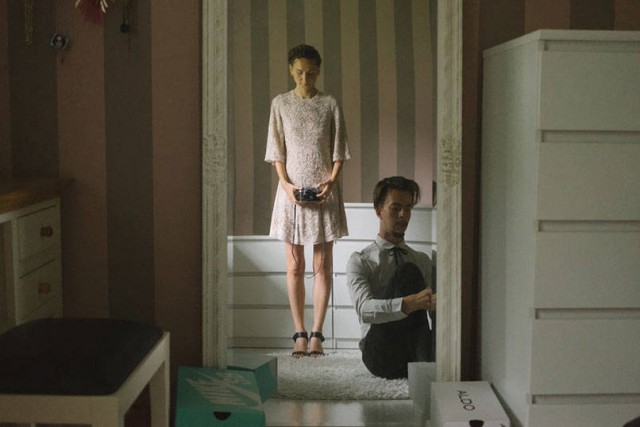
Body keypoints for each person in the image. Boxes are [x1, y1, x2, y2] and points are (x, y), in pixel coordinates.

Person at [265, 44, 350, 357]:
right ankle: (299, 333)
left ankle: (317, 335)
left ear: (318, 71)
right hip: (291, 193)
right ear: (291, 70)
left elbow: (339, 149)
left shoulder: (329, 103)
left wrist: (332, 181)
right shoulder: (280, 104)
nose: (305, 78)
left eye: (311, 73)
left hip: (325, 192)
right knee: (294, 266)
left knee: (322, 266)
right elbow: (276, 151)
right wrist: (286, 186)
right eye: (300, 72)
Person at [346, 176, 436, 378]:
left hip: (414, 348)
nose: (403, 215)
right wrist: (407, 304)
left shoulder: (421, 260)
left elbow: (434, 307)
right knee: (408, 272)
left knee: (413, 271)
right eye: (395, 208)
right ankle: (425, 367)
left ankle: (426, 368)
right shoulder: (361, 260)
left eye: (408, 209)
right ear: (379, 211)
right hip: (380, 354)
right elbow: (364, 310)